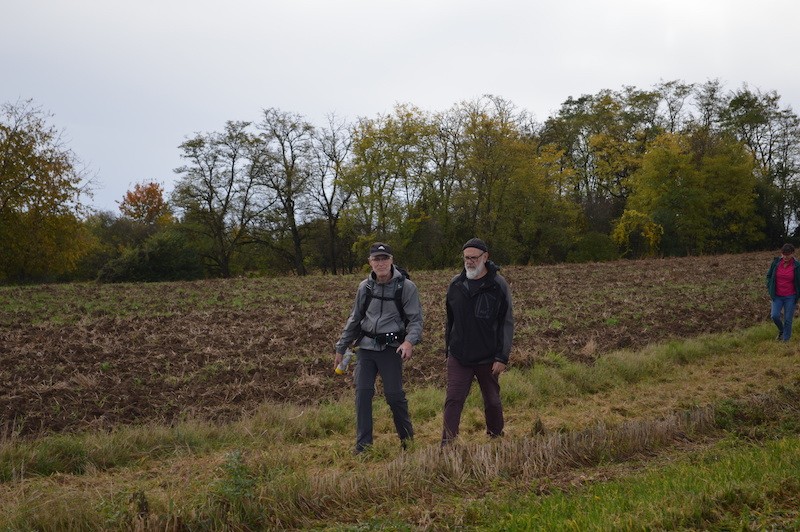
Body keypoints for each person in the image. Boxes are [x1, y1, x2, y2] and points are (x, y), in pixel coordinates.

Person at [335, 242, 423, 454]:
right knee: (363, 394)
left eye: (385, 258)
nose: (381, 263)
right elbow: (355, 318)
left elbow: (416, 321)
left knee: (394, 396)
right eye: (377, 259)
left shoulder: (406, 287)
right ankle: (363, 447)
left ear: (391, 260)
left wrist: (409, 341)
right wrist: (341, 346)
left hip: (391, 348)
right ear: (370, 263)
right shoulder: (364, 287)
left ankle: (407, 441)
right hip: (365, 348)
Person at [442, 237, 514, 446]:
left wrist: (502, 356)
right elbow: (450, 320)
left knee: (492, 400)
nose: (470, 262)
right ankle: (447, 446)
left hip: (488, 356)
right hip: (459, 355)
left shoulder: (498, 285)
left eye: (474, 258)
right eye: (466, 258)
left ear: (485, 257)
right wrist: (448, 351)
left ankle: (495, 439)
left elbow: (506, 322)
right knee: (453, 399)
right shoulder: (456, 284)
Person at [766, 243, 800, 342]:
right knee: (774, 316)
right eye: (783, 254)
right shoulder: (776, 263)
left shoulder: (797, 266)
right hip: (777, 295)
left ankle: (786, 341)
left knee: (788, 320)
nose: (785, 256)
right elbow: (769, 276)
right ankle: (782, 331)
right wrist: (769, 286)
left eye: (788, 254)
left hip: (791, 296)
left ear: (793, 253)